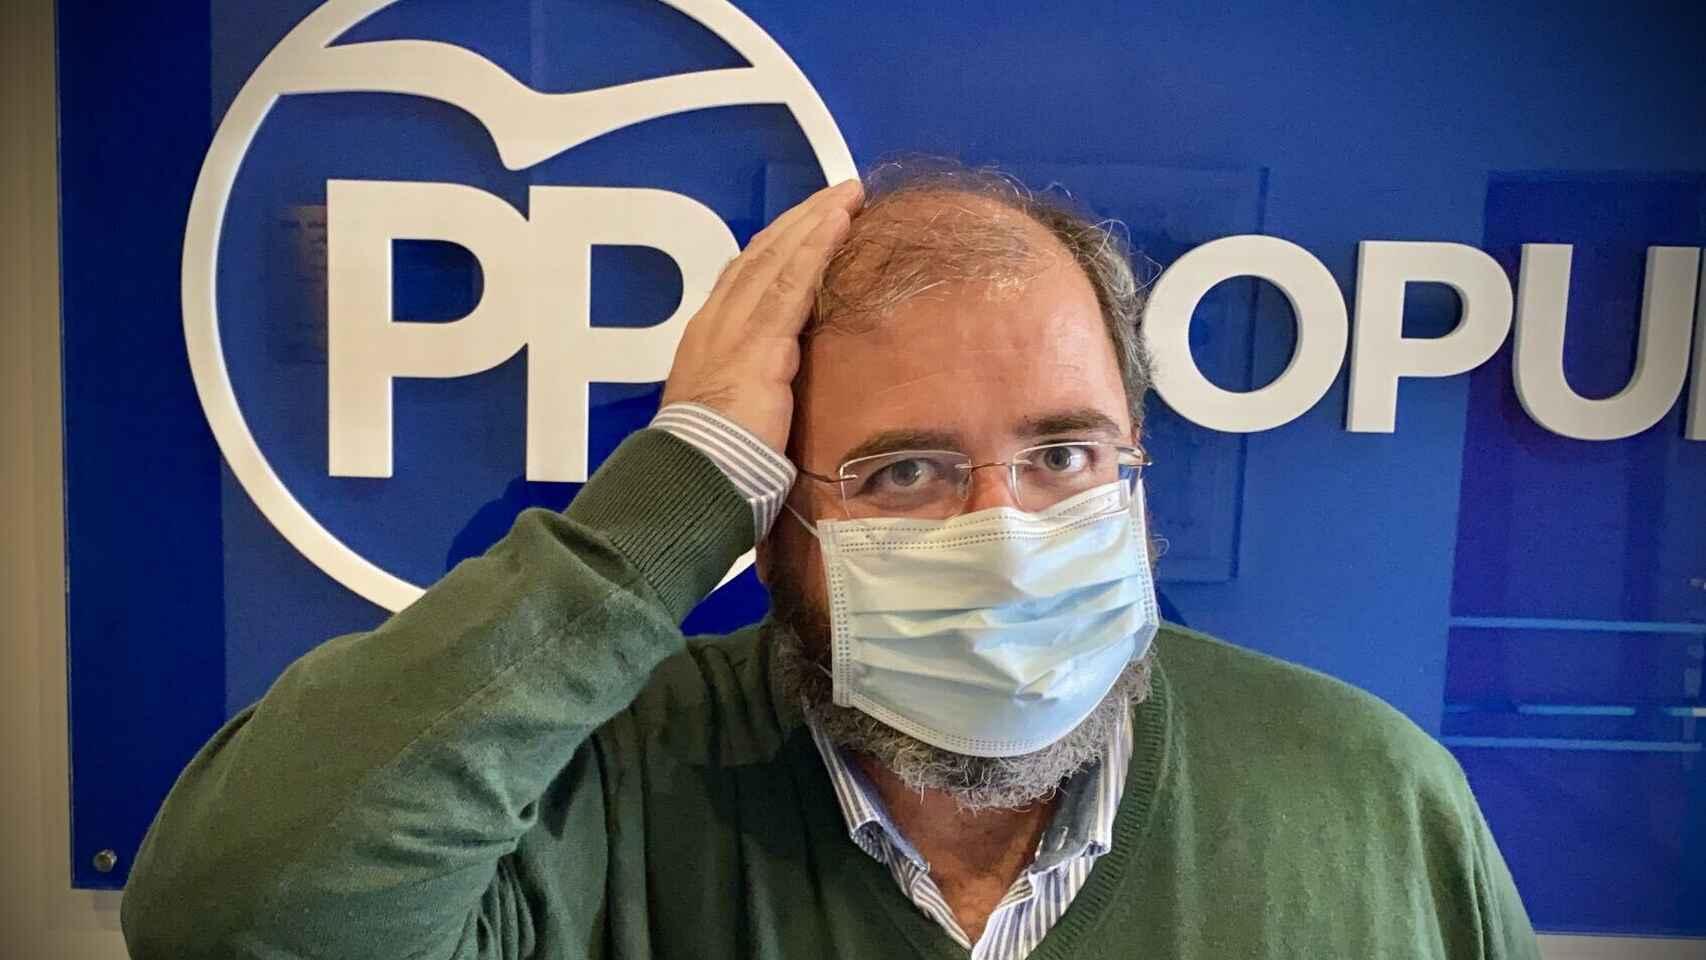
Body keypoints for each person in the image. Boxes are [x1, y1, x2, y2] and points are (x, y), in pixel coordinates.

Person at [122, 163, 1540, 959]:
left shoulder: (1372, 803)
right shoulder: (595, 799)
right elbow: (232, 922)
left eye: (1063, 453)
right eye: (903, 471)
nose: (1004, 529)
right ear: (771, 511)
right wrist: (663, 505)